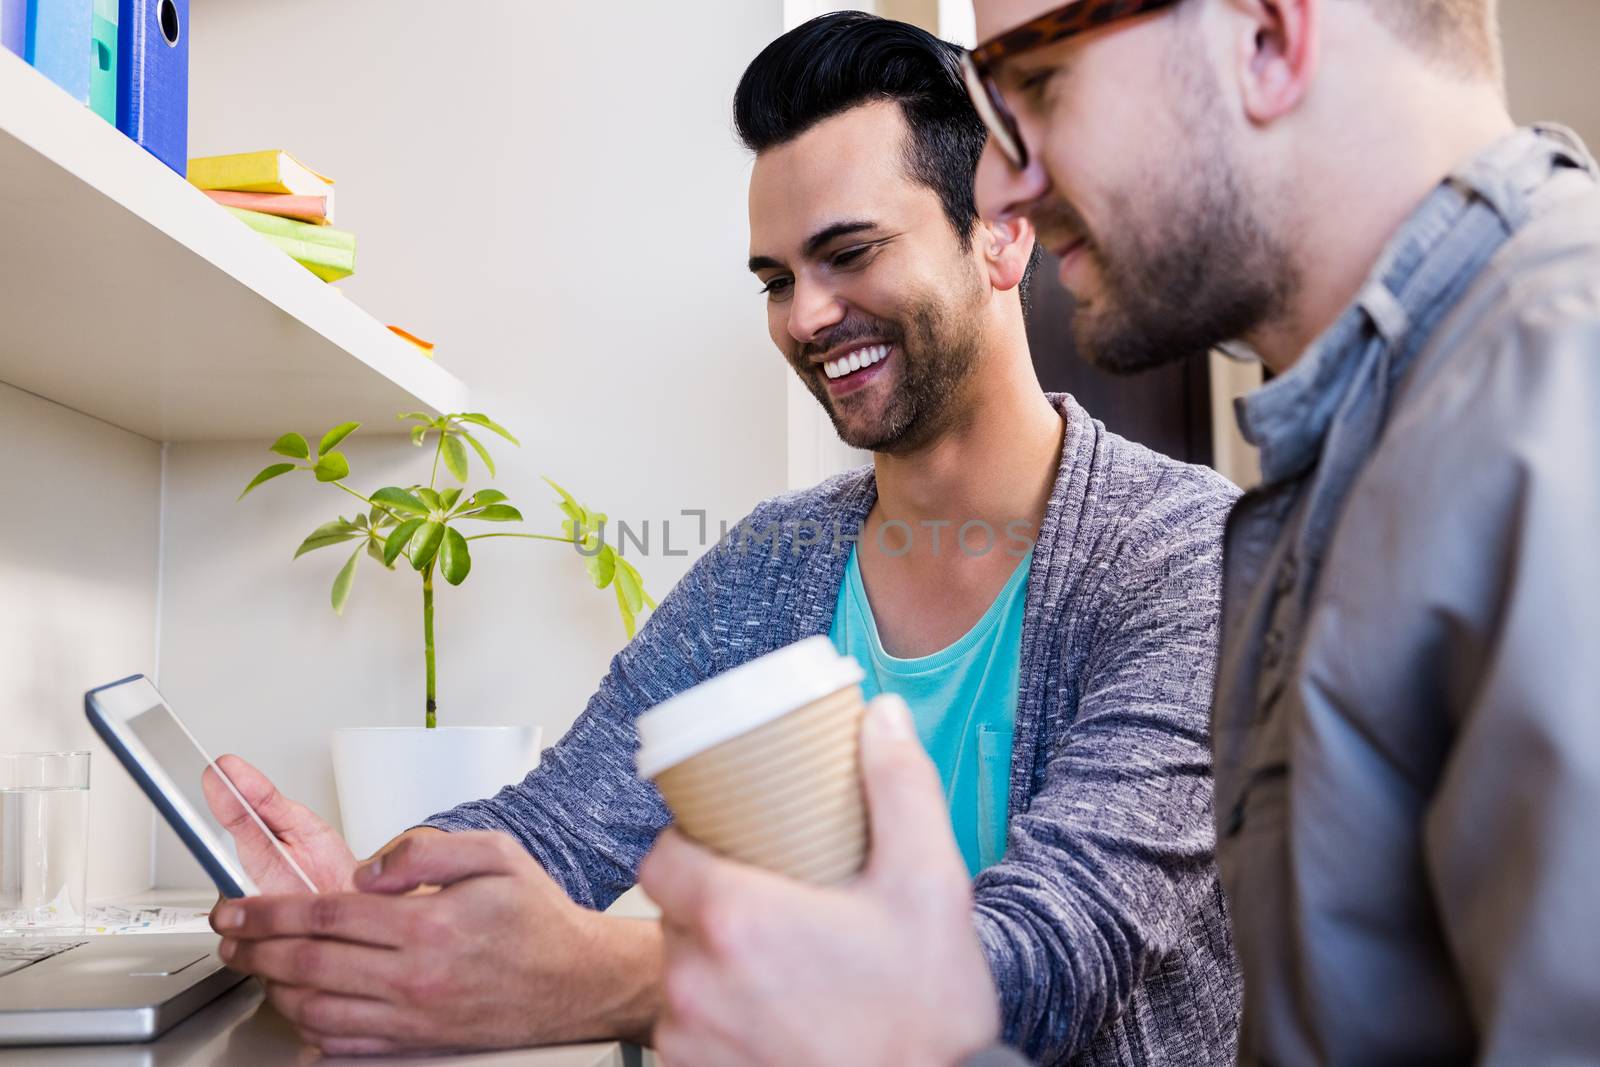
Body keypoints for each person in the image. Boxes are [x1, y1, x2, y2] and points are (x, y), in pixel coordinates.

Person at [203, 12, 1246, 1063]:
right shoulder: (768, 565)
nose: (803, 316)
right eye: (776, 278)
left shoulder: (1185, 553)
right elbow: (562, 822)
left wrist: (618, 975)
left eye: (848, 253)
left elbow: (1043, 964)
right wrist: (366, 900)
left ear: (1001, 232)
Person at [644, 0, 1600, 1064]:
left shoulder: (1560, 393)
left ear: (1265, 37)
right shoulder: (1377, 446)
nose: (1004, 185)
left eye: (1040, 84)